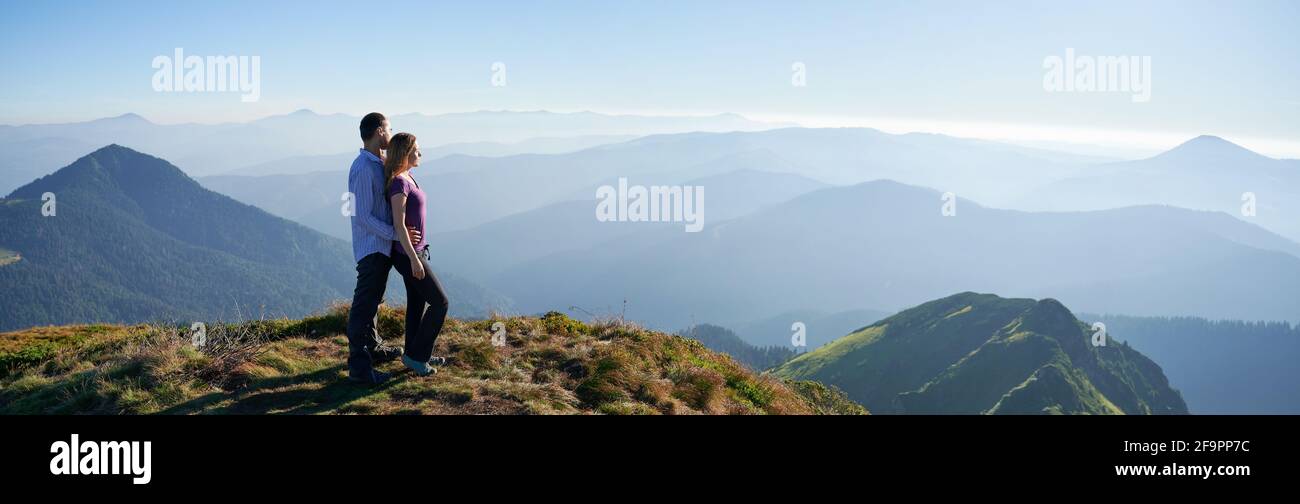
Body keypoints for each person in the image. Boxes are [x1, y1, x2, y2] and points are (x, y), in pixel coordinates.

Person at [345, 112, 420, 384]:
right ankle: (359, 368)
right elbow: (362, 216)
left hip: (381, 246)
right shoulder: (364, 168)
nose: (390, 132)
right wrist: (396, 235)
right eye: (388, 128)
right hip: (372, 247)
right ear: (379, 131)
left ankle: (374, 349)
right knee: (364, 307)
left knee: (374, 301)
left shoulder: (377, 163)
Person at [384, 132, 450, 376]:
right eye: (416, 150)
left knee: (417, 303)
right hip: (407, 254)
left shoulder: (409, 178)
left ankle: (413, 353)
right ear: (405, 153)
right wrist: (413, 259)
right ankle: (418, 356)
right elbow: (399, 223)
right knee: (441, 302)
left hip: (416, 251)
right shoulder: (399, 183)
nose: (420, 154)